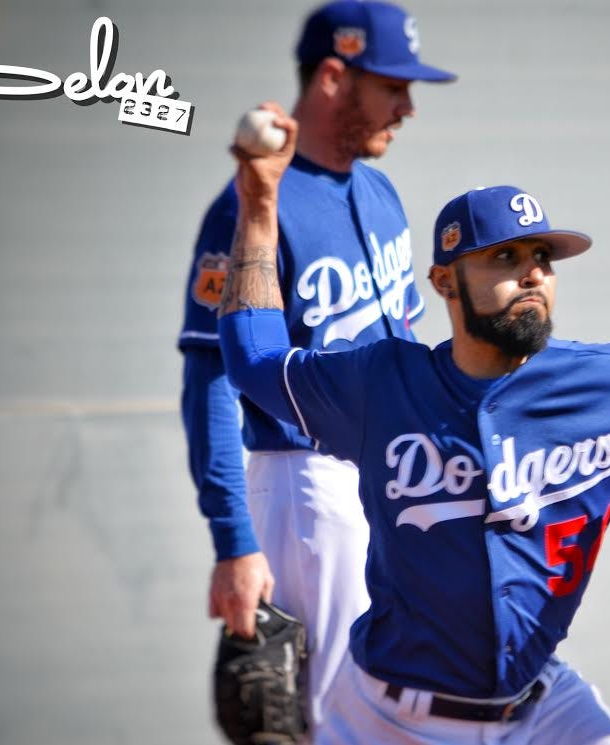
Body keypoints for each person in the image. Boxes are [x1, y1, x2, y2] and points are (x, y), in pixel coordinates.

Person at [217, 103, 610, 744]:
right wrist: (261, 204)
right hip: (388, 718)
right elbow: (254, 359)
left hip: (541, 705)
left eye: (542, 256)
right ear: (444, 282)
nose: (533, 274)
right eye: (505, 257)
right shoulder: (380, 385)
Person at [176, 0, 455, 732]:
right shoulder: (245, 210)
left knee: (400, 707)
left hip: (389, 480)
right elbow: (210, 380)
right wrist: (234, 540)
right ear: (334, 75)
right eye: (392, 85)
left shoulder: (379, 190)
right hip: (307, 492)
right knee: (340, 719)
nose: (408, 106)